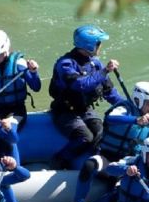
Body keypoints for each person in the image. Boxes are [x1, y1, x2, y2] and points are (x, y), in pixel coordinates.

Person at [63, 81, 149, 202]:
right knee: (90, 165)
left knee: (121, 192)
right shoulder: (123, 108)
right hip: (108, 157)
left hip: (128, 162)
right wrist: (136, 120)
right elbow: (111, 118)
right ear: (138, 100)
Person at [48, 24, 123, 169]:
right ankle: (59, 160)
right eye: (98, 43)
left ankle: (94, 164)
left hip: (84, 110)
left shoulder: (95, 64)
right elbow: (81, 84)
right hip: (65, 112)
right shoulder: (65, 64)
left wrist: (128, 106)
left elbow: (109, 92)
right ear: (89, 45)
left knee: (100, 132)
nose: (100, 46)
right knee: (85, 137)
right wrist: (105, 71)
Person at [0, 29, 41, 129]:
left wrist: (33, 72)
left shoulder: (19, 64)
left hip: (16, 111)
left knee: (8, 127)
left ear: (6, 50)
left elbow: (36, 87)